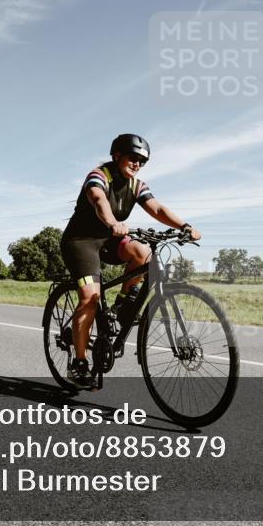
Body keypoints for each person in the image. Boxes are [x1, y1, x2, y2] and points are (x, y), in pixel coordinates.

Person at [60, 134, 200, 389]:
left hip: (111, 239)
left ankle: (121, 307)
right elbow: (98, 199)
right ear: (117, 155)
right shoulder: (100, 175)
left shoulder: (136, 185)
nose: (136, 164)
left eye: (141, 161)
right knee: (90, 298)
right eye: (132, 158)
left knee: (143, 252)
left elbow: (156, 208)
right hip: (81, 242)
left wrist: (184, 226)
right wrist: (113, 222)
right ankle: (79, 362)